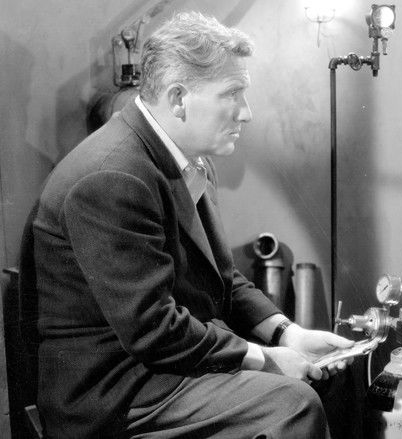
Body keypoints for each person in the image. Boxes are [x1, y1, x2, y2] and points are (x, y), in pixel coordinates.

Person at [27, 11, 354, 438]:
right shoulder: (111, 177)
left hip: (164, 367)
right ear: (179, 99)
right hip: (117, 394)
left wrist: (287, 334)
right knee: (292, 405)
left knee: (328, 377)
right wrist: (266, 359)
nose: (246, 113)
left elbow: (222, 277)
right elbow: (153, 329)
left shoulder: (189, 161)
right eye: (233, 94)